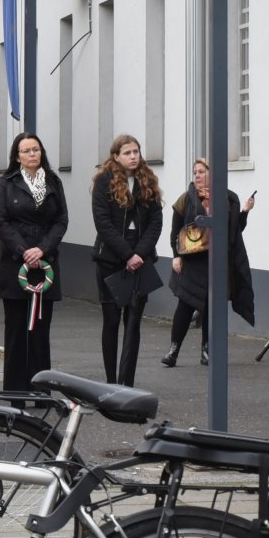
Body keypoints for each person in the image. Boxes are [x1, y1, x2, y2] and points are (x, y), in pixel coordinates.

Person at [0, 134, 69, 393]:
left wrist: (43, 249)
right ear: (17, 156)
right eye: (26, 151)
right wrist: (24, 251)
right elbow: (0, 221)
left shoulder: (54, 181)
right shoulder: (7, 183)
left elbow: (61, 221)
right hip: (16, 262)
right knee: (16, 331)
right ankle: (15, 392)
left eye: (36, 149)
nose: (32, 154)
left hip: (45, 262)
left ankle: (41, 390)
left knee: (40, 332)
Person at [163, 158, 256, 367]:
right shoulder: (186, 199)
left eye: (201, 172)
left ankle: (206, 350)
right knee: (185, 305)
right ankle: (173, 350)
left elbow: (234, 231)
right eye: (194, 172)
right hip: (191, 261)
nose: (196, 175)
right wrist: (175, 256)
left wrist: (245, 212)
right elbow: (175, 231)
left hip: (215, 261)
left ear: (212, 174)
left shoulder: (228, 199)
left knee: (209, 307)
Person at [90, 134, 164, 386]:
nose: (133, 157)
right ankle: (110, 382)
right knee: (111, 321)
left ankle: (126, 383)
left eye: (136, 152)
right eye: (127, 153)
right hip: (110, 259)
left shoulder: (147, 181)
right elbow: (103, 223)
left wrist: (139, 254)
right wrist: (126, 254)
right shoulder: (104, 181)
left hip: (140, 260)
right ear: (115, 156)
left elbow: (156, 223)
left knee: (133, 323)